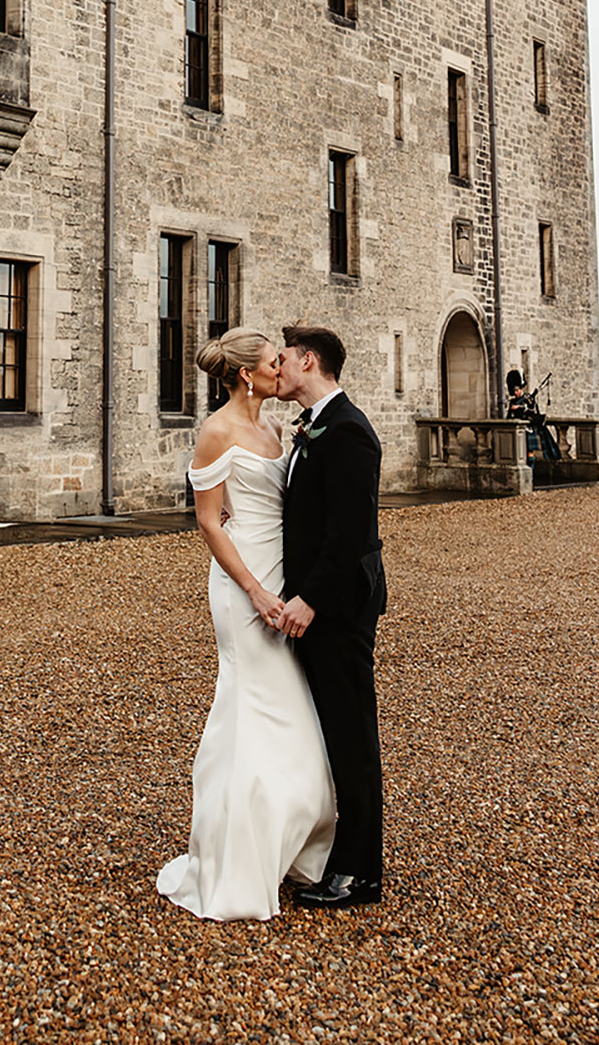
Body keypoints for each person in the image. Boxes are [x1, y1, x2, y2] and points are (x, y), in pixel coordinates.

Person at [156, 328, 335, 921]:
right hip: (242, 585)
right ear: (243, 376)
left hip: (282, 571)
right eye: (269, 362)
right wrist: (255, 590)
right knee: (247, 705)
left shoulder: (278, 429)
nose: (278, 367)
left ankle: (289, 838)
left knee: (291, 705)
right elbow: (209, 523)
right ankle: (232, 861)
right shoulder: (216, 431)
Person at [275, 323, 386, 910]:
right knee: (330, 733)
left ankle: (361, 871)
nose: (277, 365)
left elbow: (351, 537)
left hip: (340, 608)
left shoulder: (349, 432)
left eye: (284, 357)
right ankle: (336, 854)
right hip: (318, 605)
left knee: (352, 737)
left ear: (309, 361)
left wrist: (310, 599)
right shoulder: (313, 429)